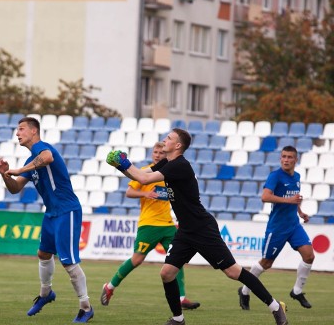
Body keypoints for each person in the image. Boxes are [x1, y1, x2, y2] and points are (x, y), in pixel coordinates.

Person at [106, 128, 288, 325]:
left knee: (233, 272)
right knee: (166, 273)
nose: (164, 140)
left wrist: (124, 162)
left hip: (202, 229)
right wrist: (119, 166)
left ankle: (275, 307)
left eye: (168, 138)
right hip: (185, 230)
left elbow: (144, 179)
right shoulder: (168, 163)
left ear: (177, 145)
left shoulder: (180, 166)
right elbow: (139, 175)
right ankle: (178, 319)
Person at [0, 116, 94, 323]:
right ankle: (46, 293)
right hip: (51, 212)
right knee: (43, 253)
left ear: (33, 131)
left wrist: (20, 170)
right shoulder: (30, 161)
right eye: (17, 130)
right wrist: (5, 175)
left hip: (67, 210)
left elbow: (47, 157)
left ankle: (86, 307)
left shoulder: (44, 148)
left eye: (21, 129)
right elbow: (15, 189)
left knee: (69, 262)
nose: (17, 133)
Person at [101, 142, 200, 311]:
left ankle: (181, 297)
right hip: (149, 224)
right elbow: (129, 192)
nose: (157, 155)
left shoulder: (169, 172)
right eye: (155, 152)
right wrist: (145, 193)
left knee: (178, 259)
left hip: (168, 224)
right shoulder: (145, 172)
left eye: (161, 152)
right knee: (137, 259)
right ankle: (110, 286)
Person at [239, 145, 314, 310]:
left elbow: (294, 199)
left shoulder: (297, 177)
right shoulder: (275, 176)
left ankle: (297, 291)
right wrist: (290, 201)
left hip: (293, 225)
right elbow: (265, 197)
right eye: (284, 156)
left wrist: (300, 212)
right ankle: (244, 291)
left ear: (296, 160)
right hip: (277, 228)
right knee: (266, 263)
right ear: (281, 158)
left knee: (309, 256)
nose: (286, 160)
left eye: (289, 157)